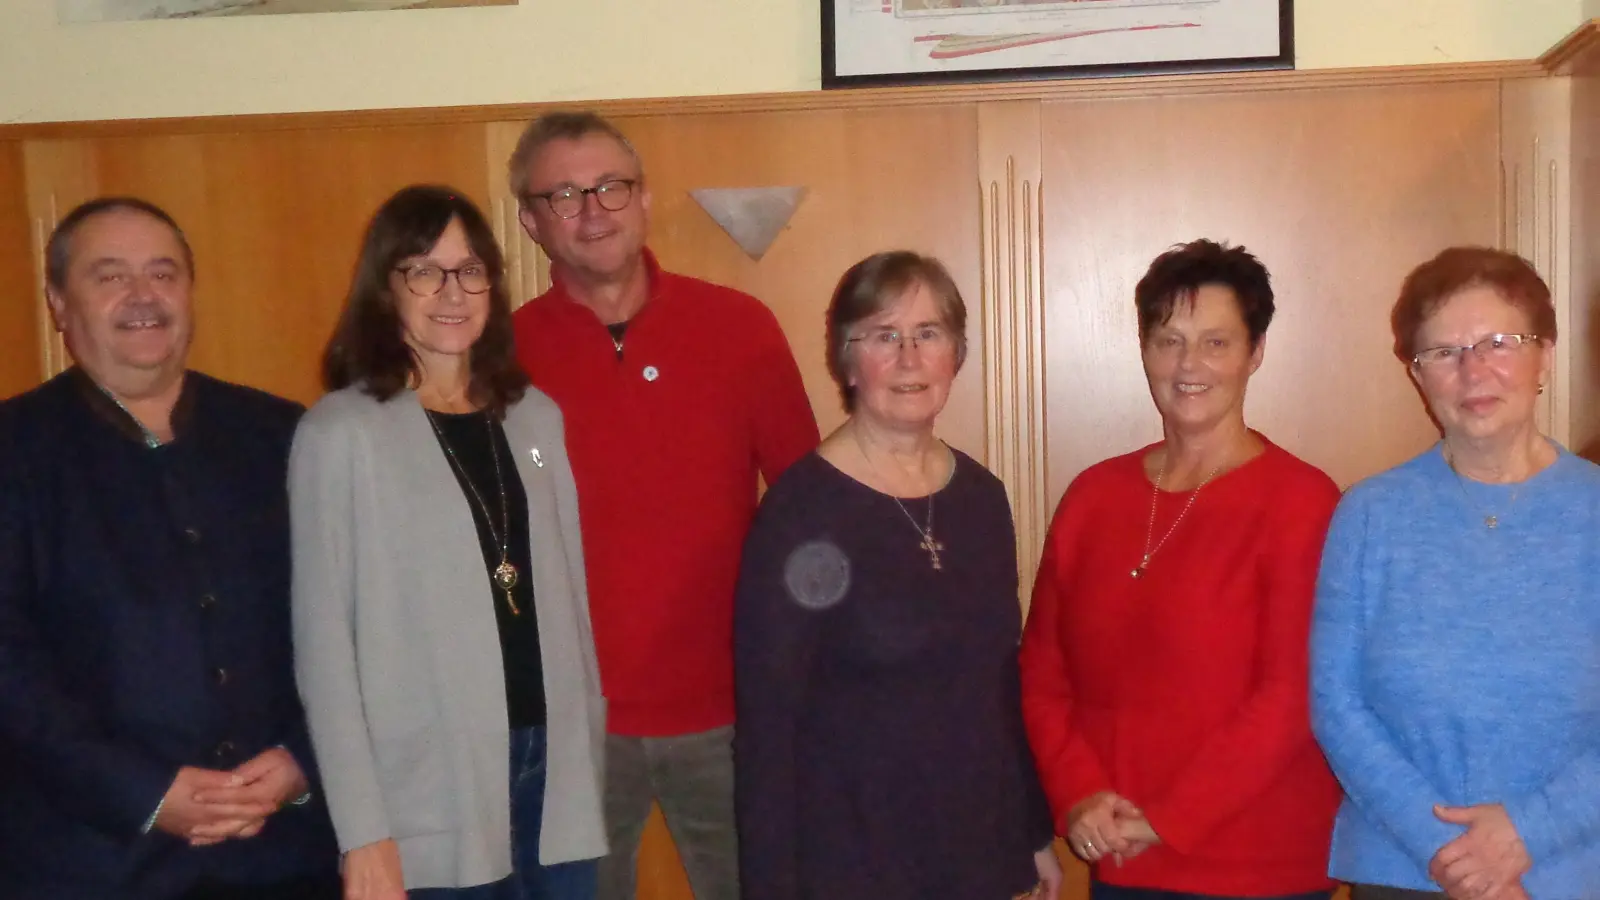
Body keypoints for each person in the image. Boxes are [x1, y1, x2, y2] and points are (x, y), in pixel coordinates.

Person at [508, 111, 819, 900]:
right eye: (565, 194)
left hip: (731, 714)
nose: (593, 209)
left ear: (643, 199)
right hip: (571, 729)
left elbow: (810, 514)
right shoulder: (499, 358)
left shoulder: (738, 328)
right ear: (531, 220)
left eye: (611, 186)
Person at [0, 197, 341, 899]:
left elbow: (354, 625)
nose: (143, 296)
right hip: (90, 863)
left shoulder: (282, 435)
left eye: (164, 273)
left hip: (283, 856)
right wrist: (147, 793)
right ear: (59, 304)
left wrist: (303, 762)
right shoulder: (14, 451)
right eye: (110, 276)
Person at [289, 185, 606, 900]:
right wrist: (363, 833)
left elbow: (571, 606)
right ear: (385, 288)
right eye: (423, 271)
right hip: (429, 791)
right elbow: (324, 653)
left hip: (552, 775)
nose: (451, 292)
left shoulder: (533, 419)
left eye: (469, 270)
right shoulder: (341, 434)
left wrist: (586, 753)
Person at [1019, 239, 1343, 900]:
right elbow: (1042, 673)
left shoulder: (1301, 503)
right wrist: (1078, 796)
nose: (1189, 365)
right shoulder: (1092, 498)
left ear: (1255, 353)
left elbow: (1290, 698)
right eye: (1169, 340)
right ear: (1144, 351)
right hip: (1120, 856)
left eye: (1216, 343)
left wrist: (1168, 818)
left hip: (1259, 864)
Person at [733, 250, 1062, 900]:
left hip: (977, 854)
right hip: (852, 862)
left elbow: (1001, 686)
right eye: (885, 336)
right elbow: (768, 730)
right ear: (847, 359)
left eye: (929, 333)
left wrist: (1033, 833)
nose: (910, 359)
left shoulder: (981, 498)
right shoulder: (802, 512)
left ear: (956, 354)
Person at [1310, 246, 1600, 900]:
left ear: (1544, 356)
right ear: (1418, 376)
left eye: (1499, 342)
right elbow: (1337, 705)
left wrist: (1526, 834)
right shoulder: (1368, 514)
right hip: (1404, 868)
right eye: (1444, 352)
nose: (1474, 371)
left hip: (1577, 867)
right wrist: (1448, 851)